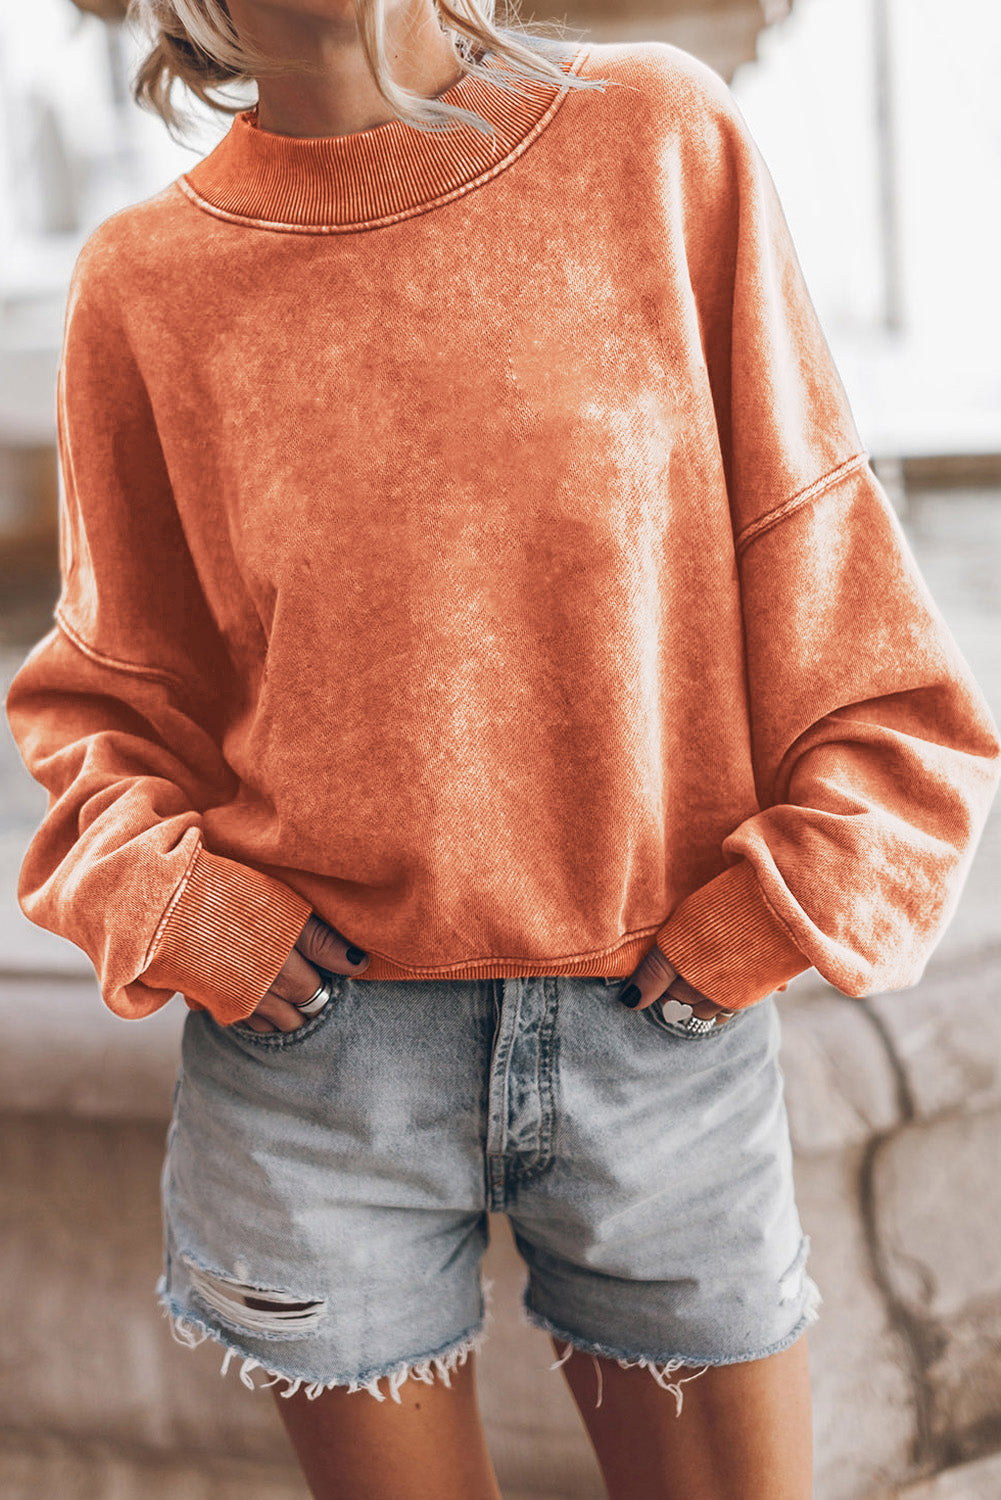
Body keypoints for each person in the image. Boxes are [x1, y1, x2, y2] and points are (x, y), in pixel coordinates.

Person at [5, 1, 1000, 1497]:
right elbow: (99, 710)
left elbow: (846, 610)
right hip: (315, 1073)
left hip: (655, 1035)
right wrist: (181, 908)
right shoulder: (147, 286)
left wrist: (781, 906)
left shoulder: (659, 141)